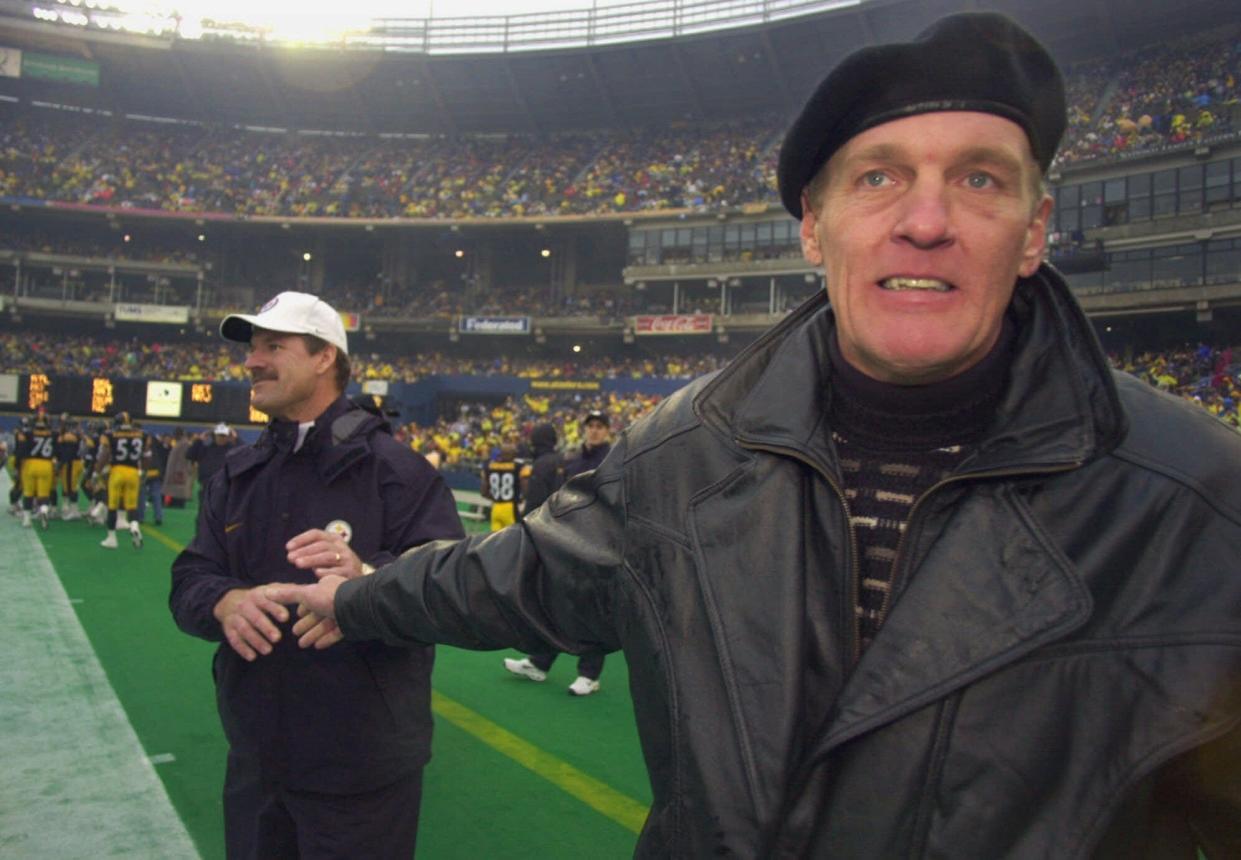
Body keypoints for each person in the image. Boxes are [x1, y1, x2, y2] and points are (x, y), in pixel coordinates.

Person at [271, 14, 1241, 858]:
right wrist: (359, 596)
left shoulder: (1194, 499)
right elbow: (500, 577)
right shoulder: (675, 456)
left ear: (1032, 230)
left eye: (979, 179)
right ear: (812, 230)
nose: (927, 219)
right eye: (878, 177)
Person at [169, 290, 462, 860]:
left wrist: (366, 584)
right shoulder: (238, 473)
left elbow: (452, 583)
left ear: (325, 357)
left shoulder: (397, 471)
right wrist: (226, 603)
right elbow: (191, 577)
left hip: (363, 773)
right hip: (256, 761)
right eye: (253, 348)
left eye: (273, 346)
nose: (252, 361)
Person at [503, 411, 611, 696]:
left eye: (600, 427)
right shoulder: (572, 459)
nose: (595, 431)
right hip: (569, 537)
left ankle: (589, 675)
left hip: (598, 540)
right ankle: (539, 663)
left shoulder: (613, 458)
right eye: (591, 426)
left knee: (592, 609)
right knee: (557, 603)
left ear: (607, 431)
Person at [96, 412, 145, 549]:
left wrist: (97, 471)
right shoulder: (141, 434)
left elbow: (105, 454)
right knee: (132, 506)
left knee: (112, 506)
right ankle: (134, 527)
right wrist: (144, 471)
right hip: (134, 472)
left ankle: (112, 539)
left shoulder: (111, 435)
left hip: (117, 471)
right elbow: (146, 454)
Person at [15, 412, 56, 529]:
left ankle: (27, 519)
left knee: (28, 493)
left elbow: (21, 450)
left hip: (30, 463)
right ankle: (43, 511)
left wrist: (18, 466)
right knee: (44, 495)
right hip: (46, 465)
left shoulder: (27, 433)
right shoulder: (52, 434)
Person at [187, 422, 239, 504]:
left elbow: (245, 453)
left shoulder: (233, 450)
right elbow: (189, 455)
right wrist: (200, 439)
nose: (221, 438)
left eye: (224, 436)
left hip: (226, 488)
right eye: (219, 435)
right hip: (207, 487)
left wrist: (236, 438)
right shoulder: (206, 450)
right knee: (204, 514)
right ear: (215, 436)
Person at [54, 413, 86, 521]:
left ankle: (74, 510)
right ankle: (70, 508)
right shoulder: (78, 434)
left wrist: (60, 464)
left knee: (70, 487)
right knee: (68, 486)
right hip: (75, 462)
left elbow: (67, 451)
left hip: (71, 462)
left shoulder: (69, 436)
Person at [138, 428, 170, 526]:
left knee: (142, 495)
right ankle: (158, 516)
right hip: (156, 472)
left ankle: (140, 517)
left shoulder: (140, 445)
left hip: (144, 472)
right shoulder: (156, 445)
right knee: (156, 495)